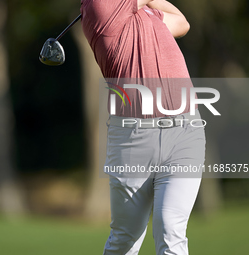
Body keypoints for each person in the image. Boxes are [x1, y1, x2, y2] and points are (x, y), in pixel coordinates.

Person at [80, 0, 206, 255]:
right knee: (125, 240)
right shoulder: (98, 6)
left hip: (185, 132)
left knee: (171, 231)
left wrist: (147, 5)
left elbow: (182, 22)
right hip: (133, 140)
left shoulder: (143, 13)